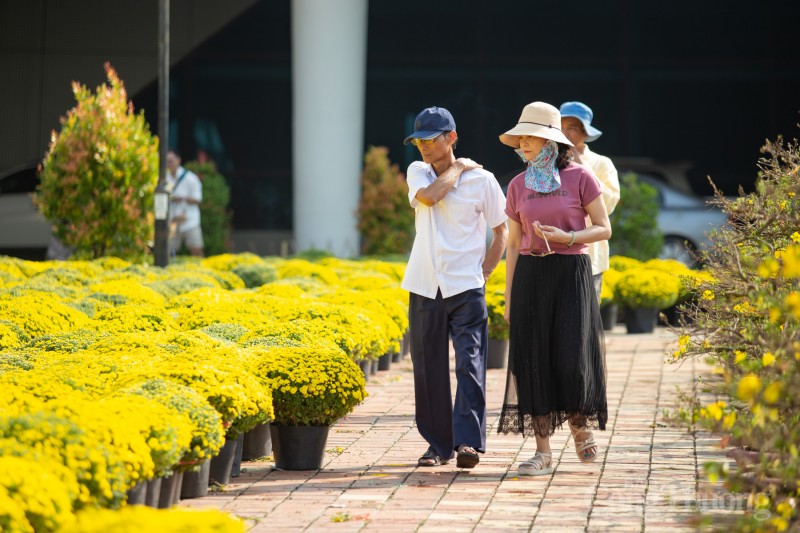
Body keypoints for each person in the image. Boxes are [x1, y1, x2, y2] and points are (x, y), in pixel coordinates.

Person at [496, 101, 610, 476]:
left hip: (571, 271)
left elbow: (603, 228)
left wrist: (570, 235)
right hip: (530, 274)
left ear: (550, 141)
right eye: (520, 139)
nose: (523, 145)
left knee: (570, 356)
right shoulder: (516, 185)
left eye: (529, 138)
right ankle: (542, 452)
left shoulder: (581, 177)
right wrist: (509, 297)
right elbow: (513, 245)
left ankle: (579, 427)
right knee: (531, 362)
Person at [401, 106, 508, 469]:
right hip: (424, 284)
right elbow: (431, 197)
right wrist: (460, 168)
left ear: (452, 137)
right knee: (427, 367)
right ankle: (437, 445)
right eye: (419, 141)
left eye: (432, 139)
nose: (424, 147)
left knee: (471, 362)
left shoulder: (486, 181)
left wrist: (486, 272)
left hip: (466, 287)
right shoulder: (418, 172)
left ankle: (467, 442)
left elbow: (501, 230)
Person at [559, 101, 620, 301]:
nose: (564, 133)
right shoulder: (548, 162)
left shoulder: (602, 164)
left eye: (572, 128)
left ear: (585, 133)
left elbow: (609, 204)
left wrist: (581, 165)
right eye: (560, 127)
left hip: (589, 257)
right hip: (553, 256)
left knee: (585, 323)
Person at [166, 150, 204, 257]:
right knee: (170, 252)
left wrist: (182, 198)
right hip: (172, 222)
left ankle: (201, 272)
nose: (169, 164)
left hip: (190, 222)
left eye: (171, 161)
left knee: (196, 250)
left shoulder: (190, 178)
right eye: (167, 162)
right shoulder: (164, 179)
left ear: (178, 160)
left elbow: (198, 199)